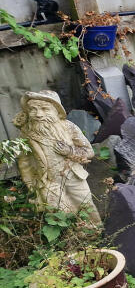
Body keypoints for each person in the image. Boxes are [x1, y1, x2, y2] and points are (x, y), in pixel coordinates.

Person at [13, 90, 101, 225]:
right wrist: (30, 184)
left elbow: (89, 151)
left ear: (57, 111)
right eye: (33, 109)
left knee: (85, 204)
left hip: (73, 176)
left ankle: (93, 229)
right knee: (58, 212)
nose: (38, 114)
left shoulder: (68, 127)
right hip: (47, 181)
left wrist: (70, 151)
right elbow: (24, 161)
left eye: (44, 109)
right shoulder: (27, 133)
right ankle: (72, 234)